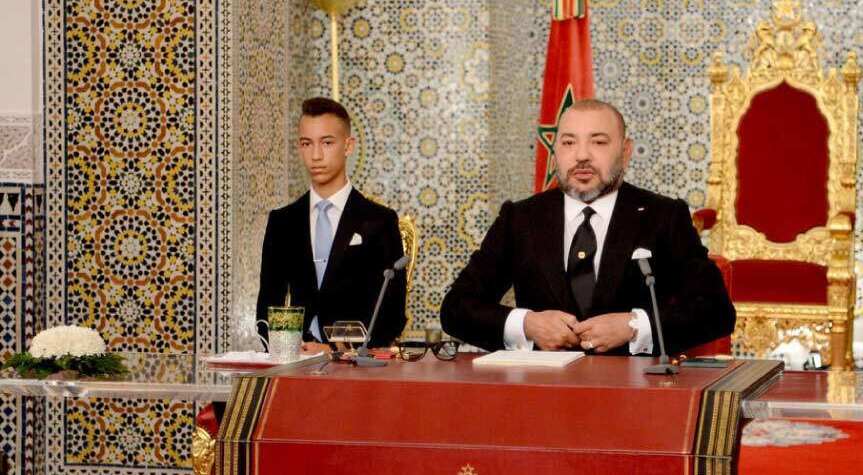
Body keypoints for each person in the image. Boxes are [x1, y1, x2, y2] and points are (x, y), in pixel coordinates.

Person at [440, 99, 734, 355]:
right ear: (555, 150)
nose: (582, 155)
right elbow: (456, 308)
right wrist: (527, 325)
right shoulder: (520, 218)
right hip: (541, 386)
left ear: (626, 151)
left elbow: (716, 311)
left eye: (598, 142)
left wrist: (633, 325)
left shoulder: (664, 216)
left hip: (634, 388)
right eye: (569, 143)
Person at [256, 97, 407, 351]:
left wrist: (337, 350)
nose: (316, 155)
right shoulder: (282, 221)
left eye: (327, 143)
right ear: (299, 147)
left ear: (348, 146)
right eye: (307, 144)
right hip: (295, 361)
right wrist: (291, 350)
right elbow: (266, 308)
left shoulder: (380, 221)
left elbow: (392, 315)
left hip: (355, 365)